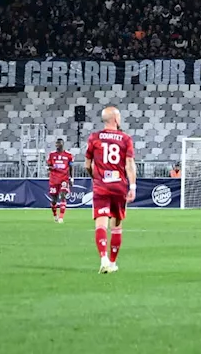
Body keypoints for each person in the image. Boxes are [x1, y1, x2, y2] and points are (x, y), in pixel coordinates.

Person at [85, 106, 136, 274]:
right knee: (116, 225)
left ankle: (103, 258)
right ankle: (113, 263)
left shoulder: (94, 138)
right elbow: (129, 164)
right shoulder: (125, 139)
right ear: (115, 118)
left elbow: (87, 165)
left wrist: (96, 178)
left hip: (101, 186)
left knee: (101, 223)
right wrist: (133, 186)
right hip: (118, 186)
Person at [47, 138, 74, 224]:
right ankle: (55, 215)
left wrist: (72, 178)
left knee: (63, 196)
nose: (57, 145)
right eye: (56, 144)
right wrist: (53, 168)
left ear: (62, 144)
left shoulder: (68, 155)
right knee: (54, 200)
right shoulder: (52, 155)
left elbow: (71, 167)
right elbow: (49, 166)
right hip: (54, 179)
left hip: (64, 178)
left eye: (59, 144)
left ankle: (61, 217)